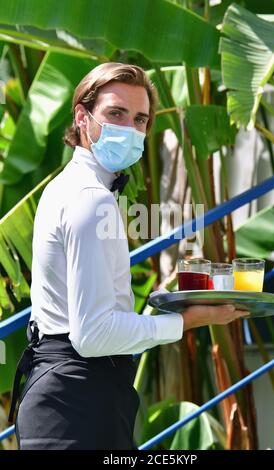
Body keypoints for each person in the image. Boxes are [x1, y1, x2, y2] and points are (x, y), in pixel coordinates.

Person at [9, 62, 247, 450]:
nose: (129, 129)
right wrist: (186, 321)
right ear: (82, 118)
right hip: (76, 404)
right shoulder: (90, 198)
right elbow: (93, 335)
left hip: (68, 398)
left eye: (140, 119)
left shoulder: (68, 187)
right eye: (115, 113)